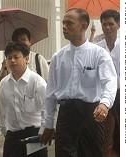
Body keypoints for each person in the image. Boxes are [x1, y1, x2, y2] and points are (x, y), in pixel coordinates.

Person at [40, 8, 117, 157]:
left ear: (84, 25)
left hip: (92, 114)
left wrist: (104, 103)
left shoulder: (99, 54)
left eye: (69, 23)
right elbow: (50, 93)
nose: (64, 27)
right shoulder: (58, 57)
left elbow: (110, 81)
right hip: (66, 115)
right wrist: (48, 124)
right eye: (63, 23)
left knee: (92, 153)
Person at [0, 41, 47, 157]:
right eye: (9, 58)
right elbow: (2, 111)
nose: (12, 61)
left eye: (16, 57)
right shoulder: (4, 84)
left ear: (26, 58)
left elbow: (48, 109)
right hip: (13, 136)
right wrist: (5, 131)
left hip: (34, 135)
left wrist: (43, 132)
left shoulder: (37, 82)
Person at [97, 9, 120, 157]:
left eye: (111, 24)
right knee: (104, 132)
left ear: (118, 24)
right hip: (103, 96)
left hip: (124, 94)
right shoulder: (97, 48)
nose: (107, 27)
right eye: (104, 24)